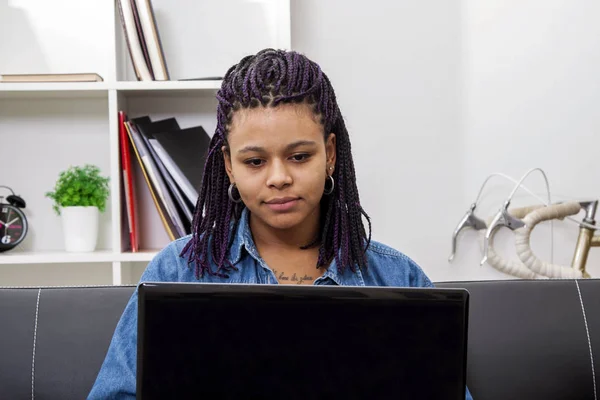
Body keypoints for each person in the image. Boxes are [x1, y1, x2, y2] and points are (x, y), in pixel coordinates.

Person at [88, 48, 473, 399]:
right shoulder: (178, 269)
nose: (278, 178)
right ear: (229, 166)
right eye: (255, 162)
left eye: (300, 156)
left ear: (331, 154)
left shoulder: (396, 277)